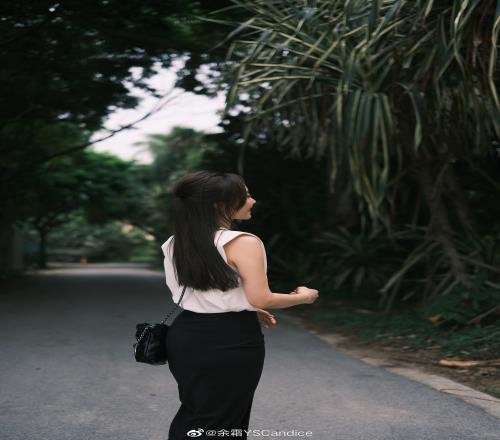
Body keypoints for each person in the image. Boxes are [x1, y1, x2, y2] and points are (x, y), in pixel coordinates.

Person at [161, 170, 319, 440]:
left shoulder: (175, 243)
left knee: (198, 414)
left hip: (185, 336)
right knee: (222, 422)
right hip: (230, 340)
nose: (252, 200)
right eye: (245, 195)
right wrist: (304, 296)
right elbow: (263, 298)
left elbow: (205, 290)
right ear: (219, 204)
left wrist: (246, 306)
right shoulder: (242, 241)